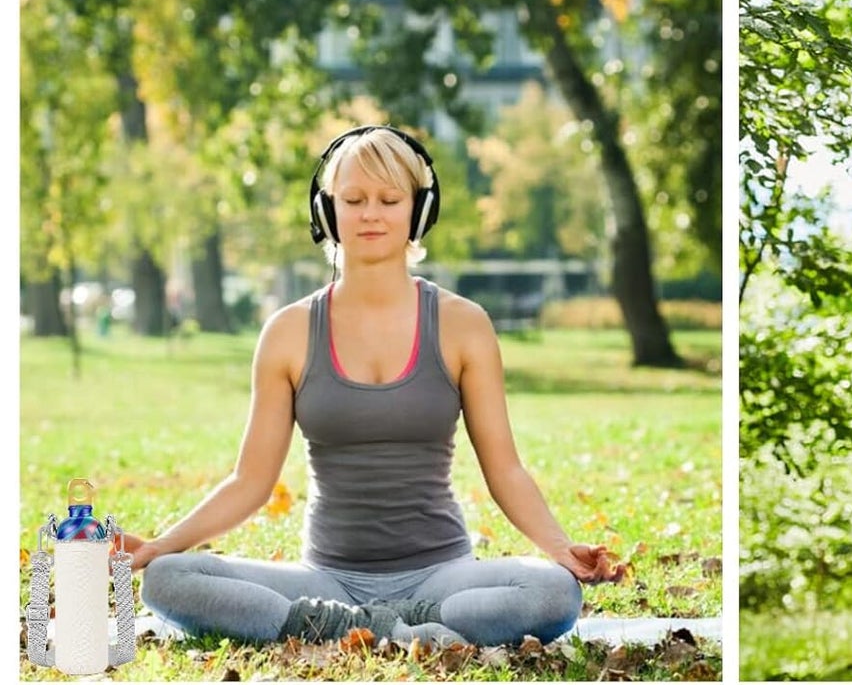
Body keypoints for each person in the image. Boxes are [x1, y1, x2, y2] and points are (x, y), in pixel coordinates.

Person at [128, 126, 620, 649]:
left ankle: (346, 629)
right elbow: (250, 482)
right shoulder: (289, 332)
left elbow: (505, 470)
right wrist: (162, 546)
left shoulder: (463, 325)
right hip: (325, 579)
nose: (370, 214)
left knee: (553, 594)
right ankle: (389, 631)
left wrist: (561, 548)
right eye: (353, 199)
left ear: (419, 210)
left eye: (389, 199)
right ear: (327, 211)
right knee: (167, 580)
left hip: (441, 575)